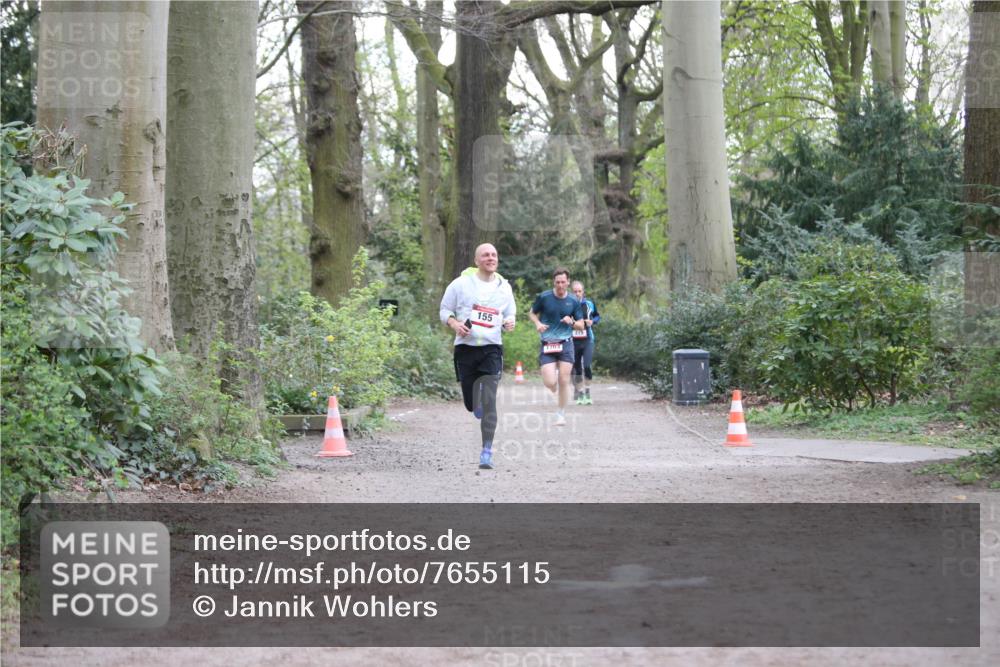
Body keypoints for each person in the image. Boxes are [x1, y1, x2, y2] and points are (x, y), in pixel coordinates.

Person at [439, 243, 516, 470]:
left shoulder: (504, 288)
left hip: (492, 348)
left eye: (494, 254)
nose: (490, 258)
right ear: (476, 260)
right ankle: (476, 403)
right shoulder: (460, 284)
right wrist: (455, 324)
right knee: (472, 406)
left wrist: (510, 321)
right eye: (485, 255)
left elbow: (510, 312)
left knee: (490, 402)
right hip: (466, 349)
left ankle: (486, 451)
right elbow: (444, 310)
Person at [528, 268, 585, 426]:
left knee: (564, 380)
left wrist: (572, 322)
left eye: (563, 282)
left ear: (568, 282)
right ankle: (554, 388)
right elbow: (532, 313)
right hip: (548, 344)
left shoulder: (573, 301)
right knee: (550, 382)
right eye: (557, 282)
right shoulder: (544, 297)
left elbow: (581, 325)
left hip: (566, 343)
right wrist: (538, 323)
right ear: (554, 282)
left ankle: (560, 414)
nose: (560, 285)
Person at [570, 280, 600, 405]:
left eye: (579, 291)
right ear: (571, 292)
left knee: (586, 366)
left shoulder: (590, 303)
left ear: (583, 292)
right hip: (573, 341)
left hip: (588, 339)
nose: (577, 293)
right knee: (577, 368)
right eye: (575, 291)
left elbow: (597, 316)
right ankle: (580, 393)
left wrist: (592, 322)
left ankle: (587, 392)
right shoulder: (567, 304)